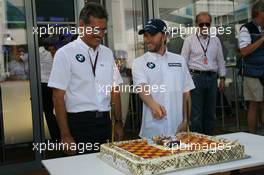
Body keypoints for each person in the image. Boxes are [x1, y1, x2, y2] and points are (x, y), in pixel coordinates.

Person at [48, 2, 124, 155]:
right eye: (95, 30)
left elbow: (115, 89)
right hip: (78, 124)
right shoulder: (65, 54)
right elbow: (58, 98)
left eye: (103, 30)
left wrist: (118, 122)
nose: (100, 35)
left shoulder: (107, 53)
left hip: (104, 122)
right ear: (82, 26)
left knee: (107, 166)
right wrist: (65, 135)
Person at [132, 19, 195, 138]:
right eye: (146, 35)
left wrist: (186, 121)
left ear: (165, 36)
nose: (148, 39)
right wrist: (153, 105)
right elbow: (142, 89)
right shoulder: (139, 63)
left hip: (178, 131)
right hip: (152, 134)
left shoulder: (179, 60)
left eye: (153, 35)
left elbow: (186, 92)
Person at [181, 12, 226, 135]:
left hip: (212, 78)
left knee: (210, 114)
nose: (204, 27)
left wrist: (222, 78)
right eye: (202, 24)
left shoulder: (216, 40)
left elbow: (220, 60)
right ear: (197, 25)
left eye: (207, 24)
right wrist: (186, 82)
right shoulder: (189, 40)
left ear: (210, 24)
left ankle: (209, 142)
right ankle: (197, 144)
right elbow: (183, 62)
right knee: (196, 115)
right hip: (195, 78)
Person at [238, 1, 264, 133]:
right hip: (252, 72)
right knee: (254, 104)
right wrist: (261, 39)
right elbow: (244, 51)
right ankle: (253, 136)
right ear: (258, 14)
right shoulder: (246, 28)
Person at [39, 38, 60, 142]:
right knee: (59, 110)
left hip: (44, 85)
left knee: (48, 112)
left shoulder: (40, 53)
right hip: (56, 85)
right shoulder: (59, 54)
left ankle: (56, 135)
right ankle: (60, 134)